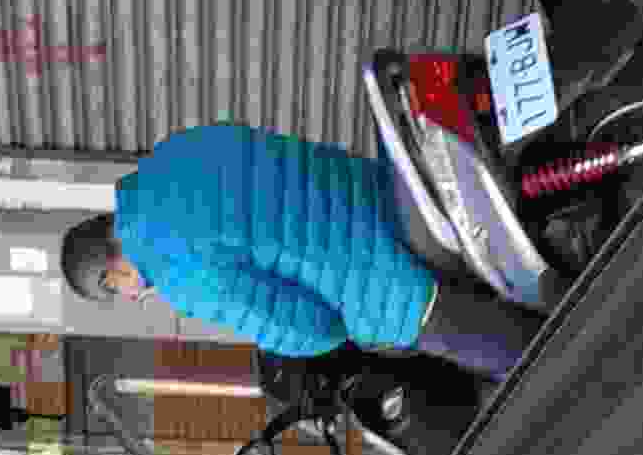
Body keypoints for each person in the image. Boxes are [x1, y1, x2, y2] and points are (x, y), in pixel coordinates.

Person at [64, 121, 531, 381]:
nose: (132, 296)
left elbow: (298, 327)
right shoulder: (174, 153)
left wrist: (341, 335)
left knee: (528, 358)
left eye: (118, 292)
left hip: (389, 287)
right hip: (392, 195)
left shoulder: (178, 275)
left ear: (111, 274)